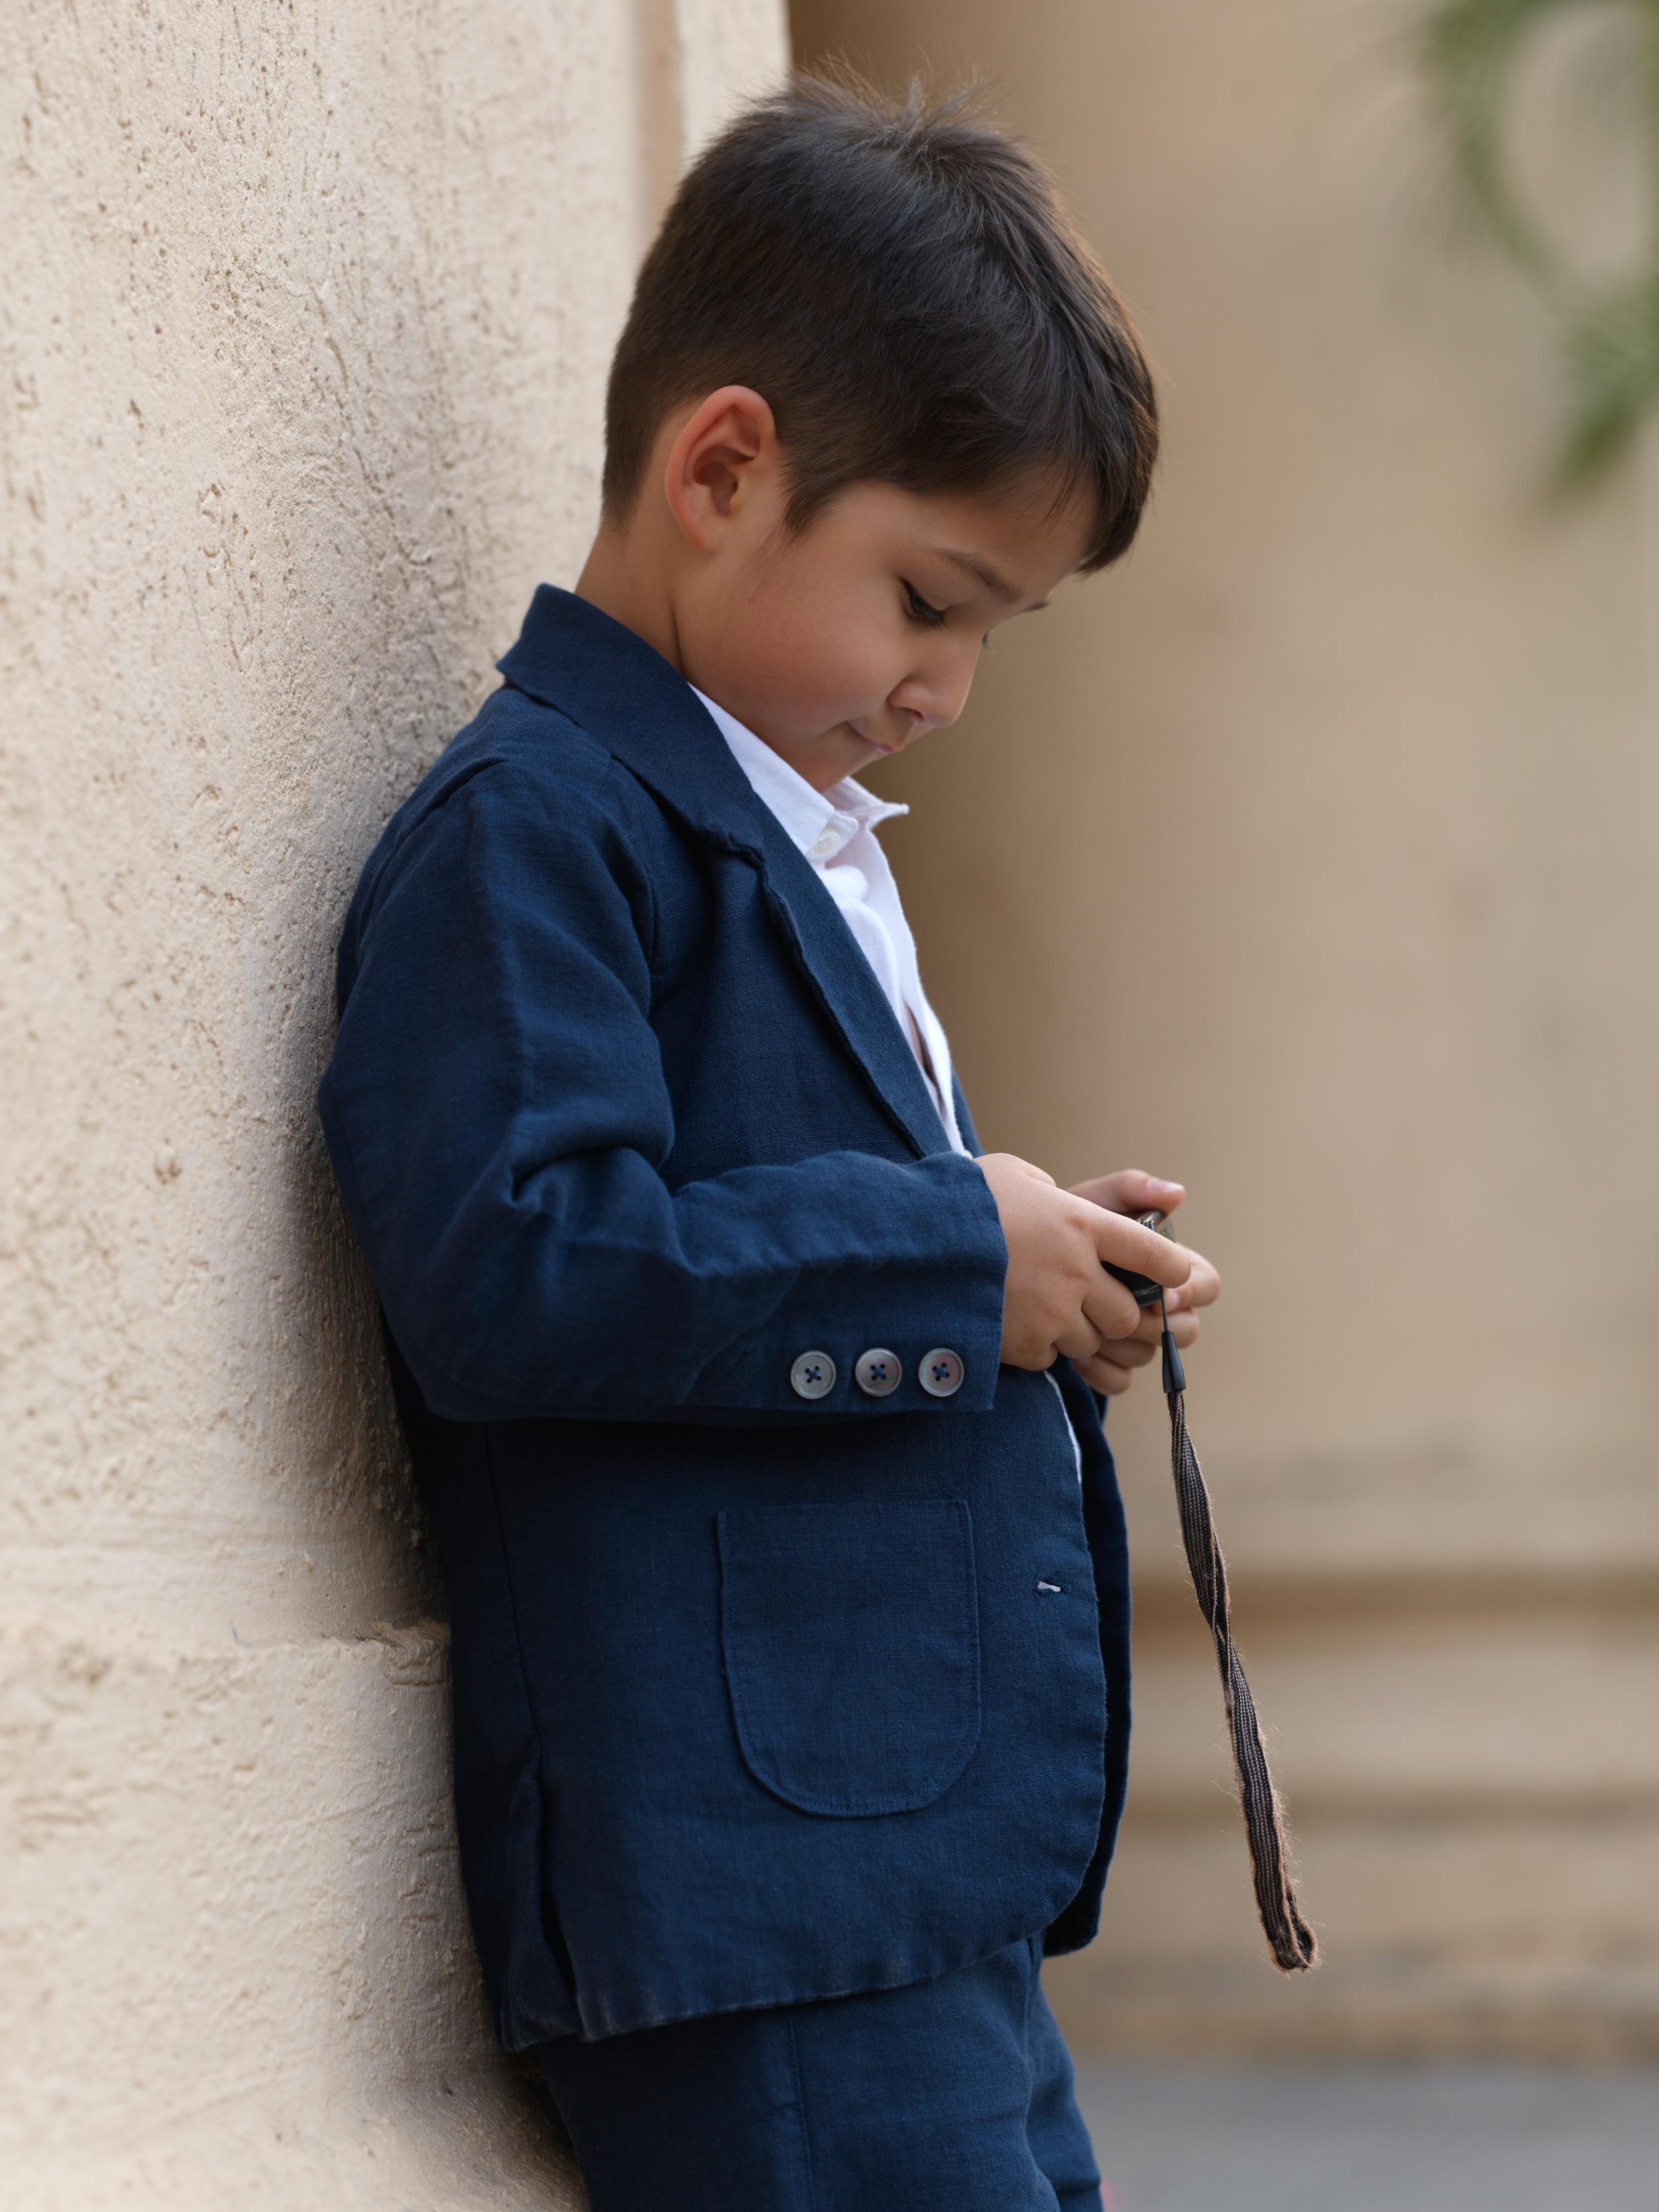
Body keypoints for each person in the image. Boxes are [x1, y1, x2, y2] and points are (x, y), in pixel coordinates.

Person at [317, 71, 1220, 2212]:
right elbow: (518, 1266)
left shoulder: (772, 814)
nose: (945, 687)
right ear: (721, 468)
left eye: (992, 628)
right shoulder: (531, 829)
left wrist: (1032, 1277)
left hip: (910, 1881)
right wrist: (947, 1259)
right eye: (927, 598)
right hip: (758, 1915)